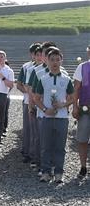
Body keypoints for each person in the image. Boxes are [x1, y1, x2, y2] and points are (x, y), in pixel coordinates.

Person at [32, 47, 74, 183]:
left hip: (62, 117)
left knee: (60, 146)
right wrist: (45, 110)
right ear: (47, 61)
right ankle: (45, 171)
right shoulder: (43, 79)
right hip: (47, 117)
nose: (55, 62)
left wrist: (63, 105)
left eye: (57, 59)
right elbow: (36, 98)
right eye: (52, 60)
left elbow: (73, 98)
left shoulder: (67, 80)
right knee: (46, 145)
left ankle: (59, 172)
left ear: (61, 61)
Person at [17, 44, 43, 166]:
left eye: (41, 54)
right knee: (29, 129)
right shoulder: (28, 67)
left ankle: (39, 154)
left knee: (39, 130)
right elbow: (23, 85)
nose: (38, 57)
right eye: (36, 54)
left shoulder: (48, 68)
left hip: (42, 103)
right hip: (29, 101)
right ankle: (29, 152)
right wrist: (29, 94)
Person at [72, 47, 90, 178]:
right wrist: (74, 107)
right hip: (86, 108)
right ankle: (83, 166)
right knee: (82, 139)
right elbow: (76, 88)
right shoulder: (82, 67)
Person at [0, 50, 14, 141]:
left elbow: (11, 85)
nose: (0, 59)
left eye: (2, 57)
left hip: (2, 94)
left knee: (1, 116)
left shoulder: (9, 70)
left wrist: (3, 77)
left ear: (5, 58)